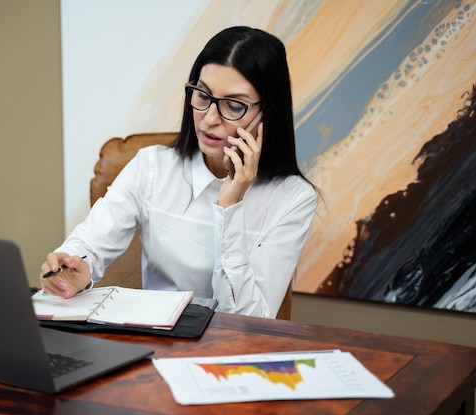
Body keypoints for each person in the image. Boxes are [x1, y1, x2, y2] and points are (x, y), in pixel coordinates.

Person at [40, 26, 317, 318]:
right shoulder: (152, 167)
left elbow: (249, 321)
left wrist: (231, 205)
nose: (209, 119)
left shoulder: (294, 199)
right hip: (154, 346)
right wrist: (72, 266)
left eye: (233, 105)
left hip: (233, 357)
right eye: (202, 95)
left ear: (267, 113)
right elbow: (89, 244)